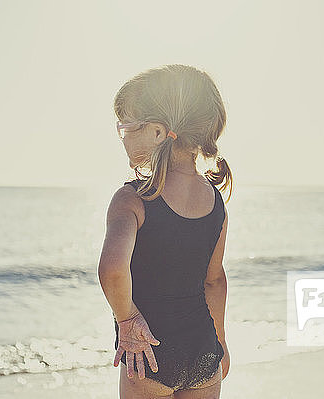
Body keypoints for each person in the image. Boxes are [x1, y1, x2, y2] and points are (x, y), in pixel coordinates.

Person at [98, 64, 233, 399]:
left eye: (126, 127)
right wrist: (221, 341)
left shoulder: (132, 199)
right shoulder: (215, 202)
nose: (123, 136)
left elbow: (113, 270)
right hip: (204, 350)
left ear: (158, 132)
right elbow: (214, 279)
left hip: (149, 355)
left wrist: (128, 320)